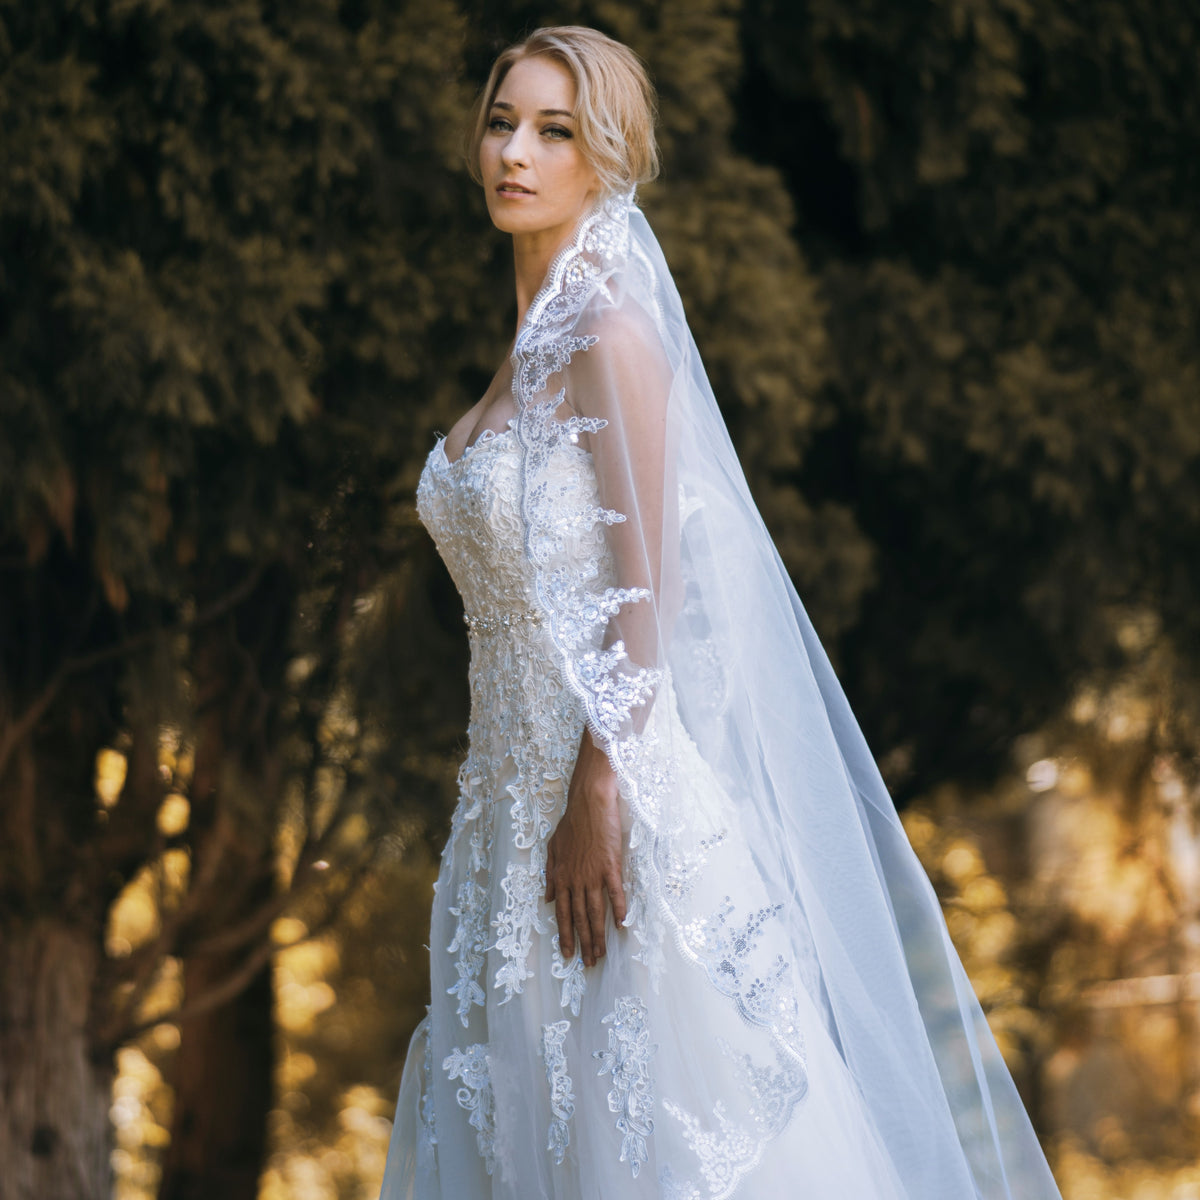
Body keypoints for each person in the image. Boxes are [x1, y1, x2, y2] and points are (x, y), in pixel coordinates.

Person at [380, 25, 1063, 1200]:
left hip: (603, 821)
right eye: (502, 122)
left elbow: (651, 584)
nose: (517, 153)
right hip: (496, 830)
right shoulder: (523, 354)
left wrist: (602, 783)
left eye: (554, 131)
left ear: (605, 157)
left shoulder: (608, 333)